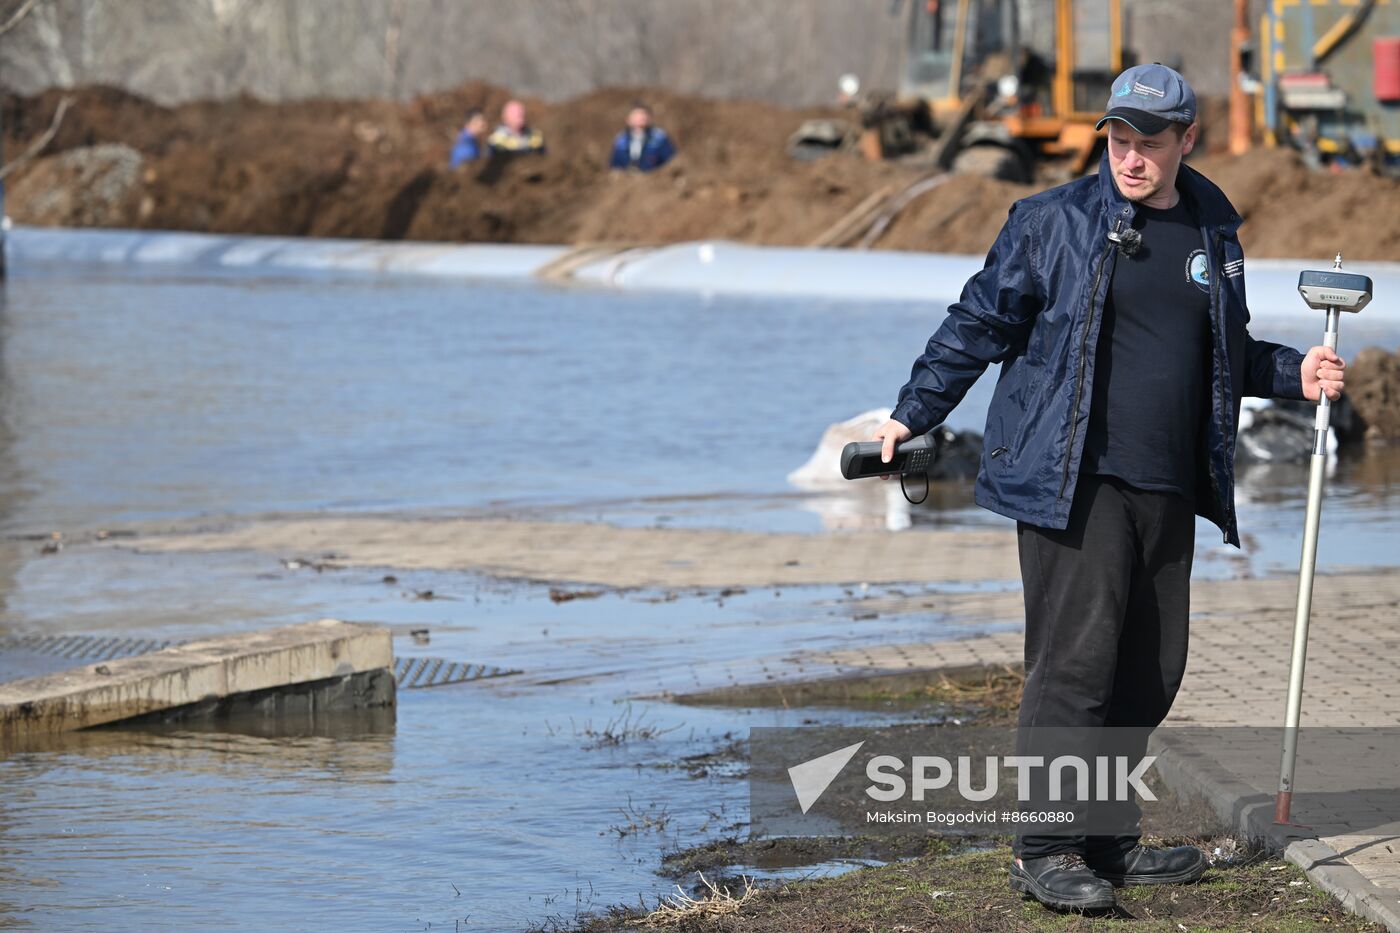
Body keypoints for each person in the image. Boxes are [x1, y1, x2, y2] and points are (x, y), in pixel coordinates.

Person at [871, 63, 1347, 911]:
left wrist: (1293, 371)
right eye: (1119, 139)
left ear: (1185, 141)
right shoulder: (1050, 221)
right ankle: (1046, 847)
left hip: (1167, 482)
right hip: (1071, 479)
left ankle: (1105, 837)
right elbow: (977, 322)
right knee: (1074, 667)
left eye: (1149, 142)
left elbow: (1223, 353)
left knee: (1151, 669)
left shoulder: (1212, 230)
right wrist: (912, 413)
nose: (1131, 156)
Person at [609, 103, 675, 172]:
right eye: (636, 115)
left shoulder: (659, 138)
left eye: (643, 115)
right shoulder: (621, 140)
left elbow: (670, 162)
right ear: (628, 119)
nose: (640, 118)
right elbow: (614, 165)